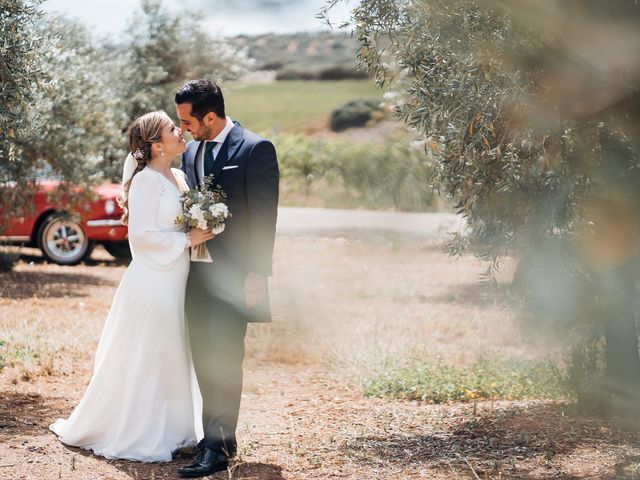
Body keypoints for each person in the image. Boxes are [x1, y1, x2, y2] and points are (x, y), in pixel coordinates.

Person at [49, 111, 213, 462]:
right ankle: (143, 431)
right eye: (173, 129)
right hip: (154, 280)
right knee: (154, 352)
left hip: (179, 277)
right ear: (156, 146)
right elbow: (140, 239)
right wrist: (188, 238)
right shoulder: (145, 182)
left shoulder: (180, 176)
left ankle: (178, 428)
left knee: (174, 352)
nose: (181, 131)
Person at [175, 80, 279, 478]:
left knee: (224, 356)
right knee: (203, 354)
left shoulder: (254, 149)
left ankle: (217, 446)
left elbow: (265, 216)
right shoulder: (190, 151)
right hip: (194, 275)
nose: (182, 128)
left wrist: (257, 274)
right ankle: (216, 437)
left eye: (188, 121)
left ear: (211, 117)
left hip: (236, 275)